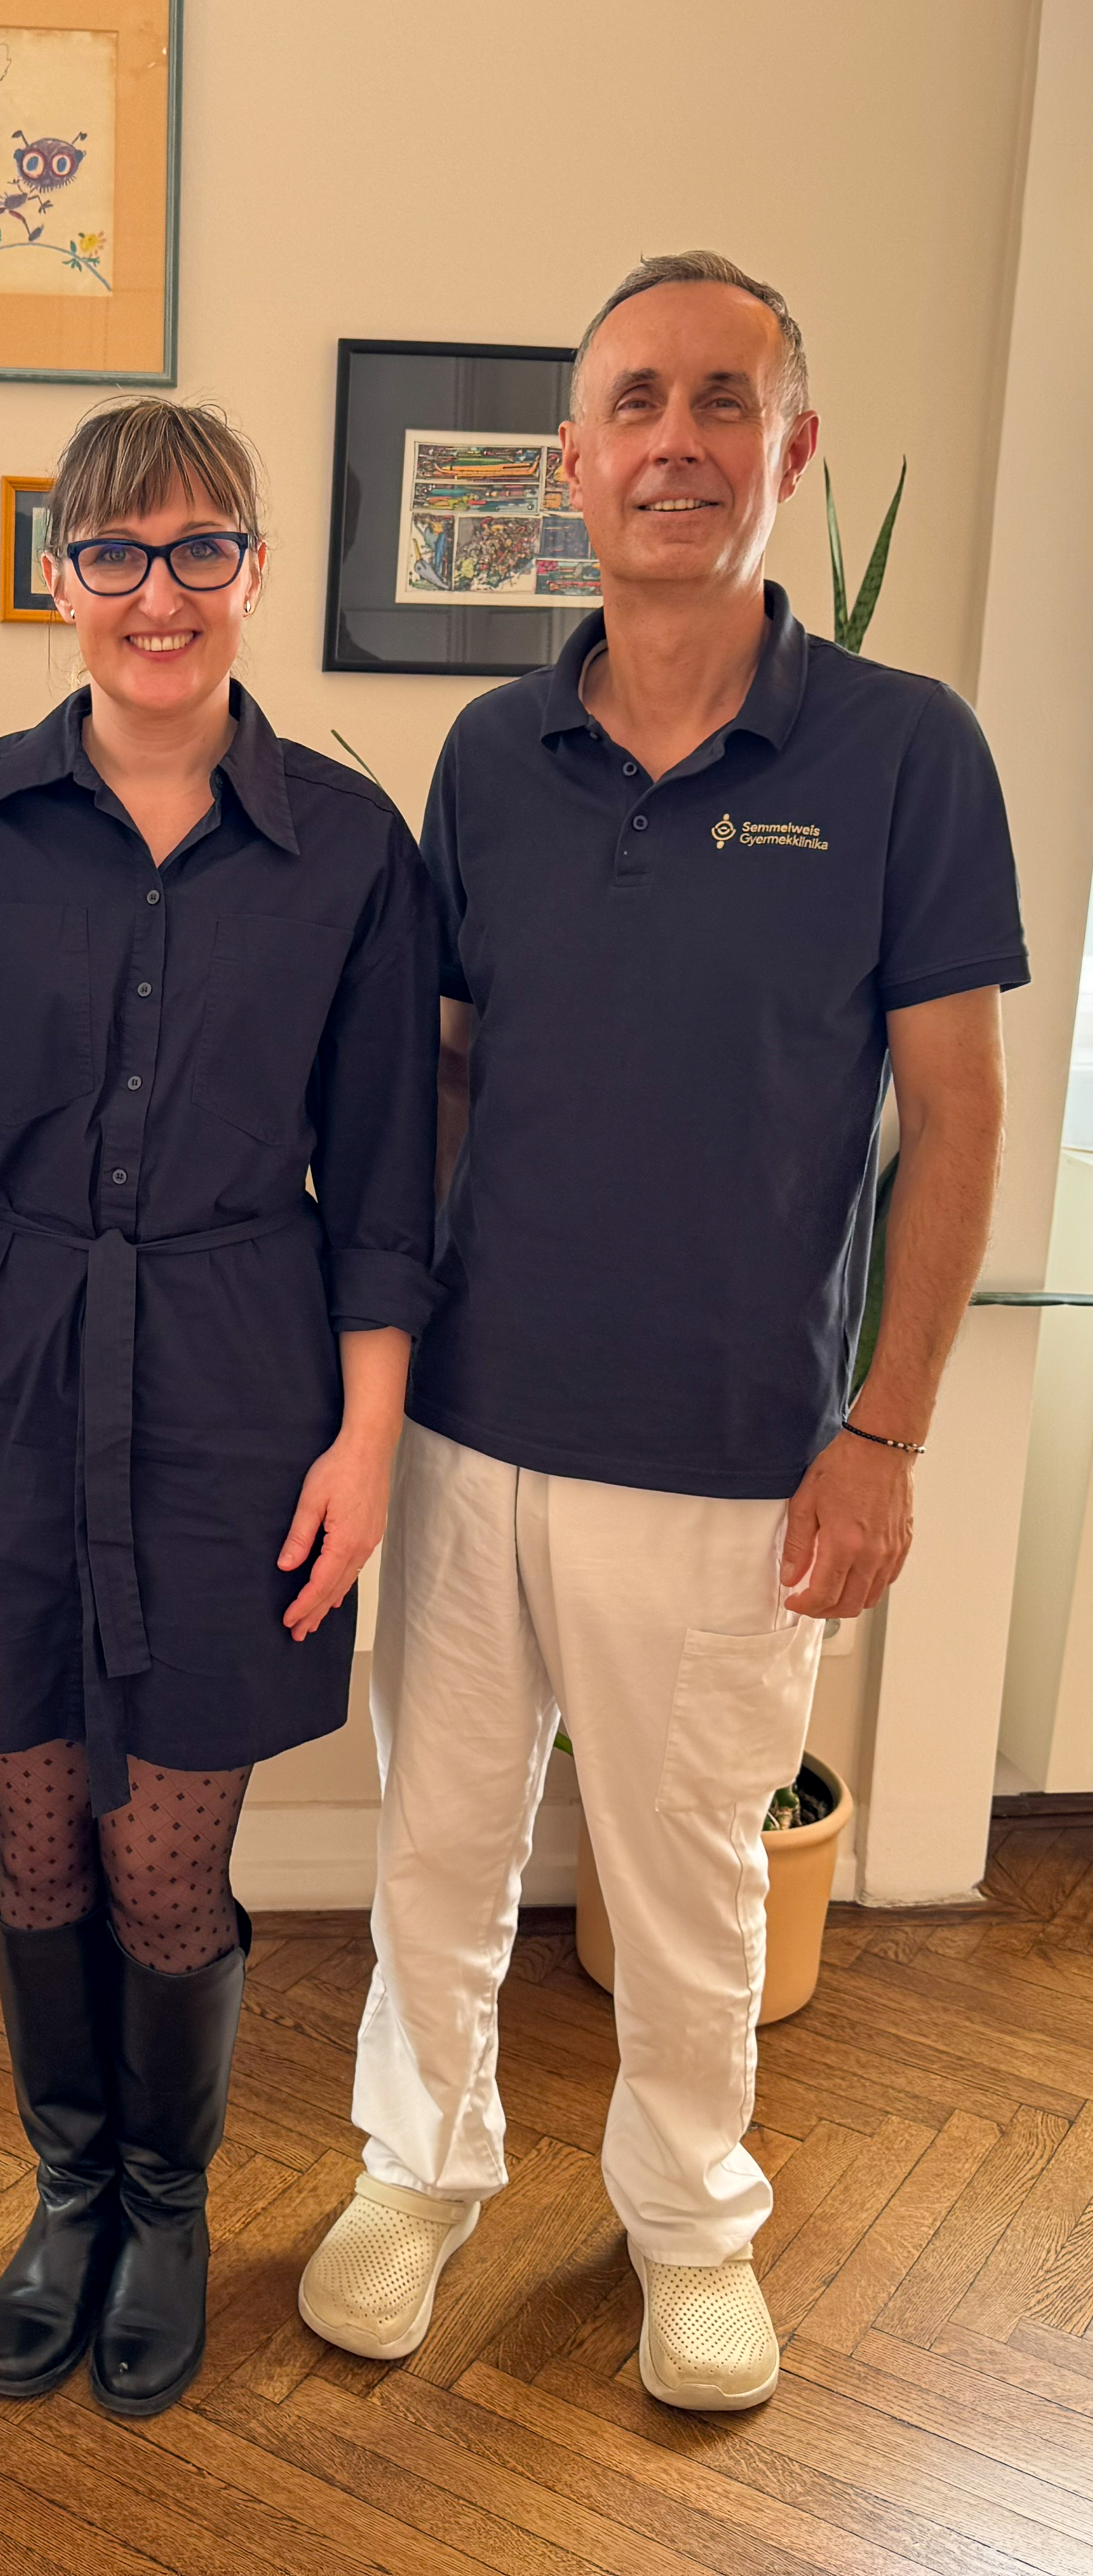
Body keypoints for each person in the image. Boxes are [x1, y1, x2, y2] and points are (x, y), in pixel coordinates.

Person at [299, 253, 1025, 2411]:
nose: (677, 440)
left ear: (787, 449)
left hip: (730, 1454)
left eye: (726, 400)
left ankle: (689, 2226)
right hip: (462, 1429)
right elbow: (432, 1074)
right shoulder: (485, 755)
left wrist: (884, 1430)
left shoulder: (902, 756)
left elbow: (959, 1109)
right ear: (574, 465)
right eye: (634, 404)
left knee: (691, 1881)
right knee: (431, 1838)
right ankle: (413, 2169)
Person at [0, 401, 439, 2417]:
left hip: (233, 1385)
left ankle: (166, 2201)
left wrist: (363, 1448)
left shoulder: (353, 848)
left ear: (255, 573)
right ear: (58, 579)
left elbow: (380, 1188)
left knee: (165, 1858)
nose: (156, 591)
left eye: (200, 550)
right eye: (113, 551)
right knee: (35, 1846)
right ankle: (69, 2188)